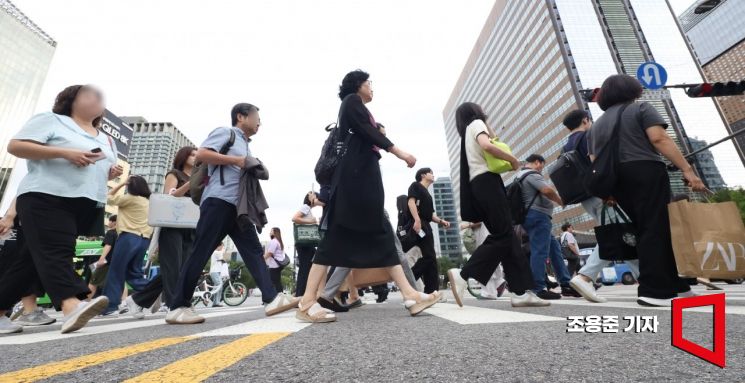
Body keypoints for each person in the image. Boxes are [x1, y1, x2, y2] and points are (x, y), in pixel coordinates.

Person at [298, 70, 440, 323]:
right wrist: (399, 152)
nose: (372, 88)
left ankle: (410, 293)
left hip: (361, 179)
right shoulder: (351, 101)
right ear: (357, 86)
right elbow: (368, 131)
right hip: (355, 181)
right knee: (337, 238)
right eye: (369, 83)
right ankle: (308, 301)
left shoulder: (353, 106)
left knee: (382, 236)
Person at [0, 84, 123, 334]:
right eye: (88, 94)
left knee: (30, 263)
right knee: (58, 250)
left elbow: (98, 168)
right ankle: (70, 304)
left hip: (83, 203)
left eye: (100, 95)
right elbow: (15, 146)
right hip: (45, 196)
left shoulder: (107, 138)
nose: (96, 98)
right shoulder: (52, 120)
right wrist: (65, 153)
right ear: (69, 100)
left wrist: (110, 171)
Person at [168, 103, 297, 324]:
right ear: (240, 116)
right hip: (218, 201)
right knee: (201, 251)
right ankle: (178, 306)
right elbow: (203, 153)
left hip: (239, 207)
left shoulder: (246, 145)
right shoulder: (226, 133)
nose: (259, 122)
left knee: (254, 251)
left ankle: (271, 298)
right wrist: (238, 161)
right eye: (256, 116)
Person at [586, 74, 704, 307]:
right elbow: (659, 138)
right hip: (645, 170)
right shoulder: (641, 108)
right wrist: (687, 170)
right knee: (655, 227)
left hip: (615, 180)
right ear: (632, 90)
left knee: (646, 228)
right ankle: (654, 290)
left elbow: (593, 159)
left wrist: (608, 191)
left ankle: (676, 286)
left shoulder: (596, 125)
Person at [447, 102, 548, 308]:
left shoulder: (468, 130)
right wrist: (513, 160)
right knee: (503, 235)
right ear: (476, 112)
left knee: (508, 238)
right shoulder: (476, 123)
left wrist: (487, 123)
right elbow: (488, 145)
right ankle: (464, 274)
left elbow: (493, 139)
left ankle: (521, 292)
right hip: (488, 183)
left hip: (480, 186)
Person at [560, 109, 640, 303]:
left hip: (585, 198)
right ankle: (585, 276)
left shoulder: (565, 148)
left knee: (625, 237)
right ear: (586, 120)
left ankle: (648, 280)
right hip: (604, 195)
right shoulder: (588, 136)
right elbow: (600, 165)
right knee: (619, 236)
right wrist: (610, 191)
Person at [125, 146, 198, 318]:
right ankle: (176, 306)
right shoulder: (174, 174)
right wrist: (192, 182)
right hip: (172, 225)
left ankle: (137, 300)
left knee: (181, 269)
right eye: (192, 154)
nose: (196, 157)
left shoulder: (198, 177)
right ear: (183, 157)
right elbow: (169, 198)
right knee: (173, 268)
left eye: (197, 155)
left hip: (191, 226)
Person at [518, 154, 581, 300]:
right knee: (539, 251)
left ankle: (565, 283)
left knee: (554, 249)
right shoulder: (531, 174)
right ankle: (538, 287)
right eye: (542, 165)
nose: (541, 169)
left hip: (534, 217)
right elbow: (547, 190)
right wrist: (560, 201)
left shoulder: (520, 176)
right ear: (537, 163)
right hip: (538, 216)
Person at [100, 176, 153, 316]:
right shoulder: (150, 202)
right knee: (134, 272)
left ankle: (110, 307)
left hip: (128, 237)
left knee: (116, 272)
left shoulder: (131, 198)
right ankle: (154, 291)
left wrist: (122, 183)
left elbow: (109, 198)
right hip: (144, 240)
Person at [0, 199, 55, 333]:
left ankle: (29, 309)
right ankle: (27, 310)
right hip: (15, 220)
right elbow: (23, 191)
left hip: (21, 217)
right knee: (19, 262)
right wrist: (10, 216)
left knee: (28, 263)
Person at [408, 168, 450, 294]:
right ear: (423, 175)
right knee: (429, 257)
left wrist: (442, 221)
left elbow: (431, 215)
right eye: (430, 172)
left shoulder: (428, 194)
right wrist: (417, 220)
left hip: (426, 224)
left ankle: (431, 291)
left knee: (431, 258)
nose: (433, 174)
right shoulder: (415, 186)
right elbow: (411, 203)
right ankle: (409, 277)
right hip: (419, 223)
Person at [292, 191, 324, 297]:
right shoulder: (306, 207)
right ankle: (300, 295)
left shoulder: (308, 209)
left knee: (308, 267)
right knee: (305, 268)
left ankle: (304, 294)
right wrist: (312, 221)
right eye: (317, 197)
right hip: (305, 243)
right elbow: (295, 218)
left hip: (306, 243)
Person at [88, 215, 118, 298]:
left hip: (106, 262)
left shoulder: (110, 233)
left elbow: (108, 245)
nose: (108, 223)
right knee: (118, 283)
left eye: (110, 221)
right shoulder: (121, 234)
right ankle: (123, 303)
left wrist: (102, 258)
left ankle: (84, 303)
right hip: (116, 262)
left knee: (93, 282)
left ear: (114, 222)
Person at [263, 228, 286, 293]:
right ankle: (280, 297)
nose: (269, 232)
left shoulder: (274, 241)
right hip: (278, 265)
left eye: (271, 231)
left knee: (273, 282)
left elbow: (270, 253)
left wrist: (261, 259)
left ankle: (277, 297)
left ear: (275, 232)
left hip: (274, 265)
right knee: (277, 282)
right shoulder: (278, 241)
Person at [210, 243, 229, 307]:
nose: (222, 248)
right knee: (219, 286)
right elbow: (224, 258)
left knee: (217, 287)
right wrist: (224, 250)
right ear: (219, 246)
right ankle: (208, 297)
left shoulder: (216, 252)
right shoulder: (216, 252)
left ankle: (215, 303)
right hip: (214, 272)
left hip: (217, 272)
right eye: (222, 247)